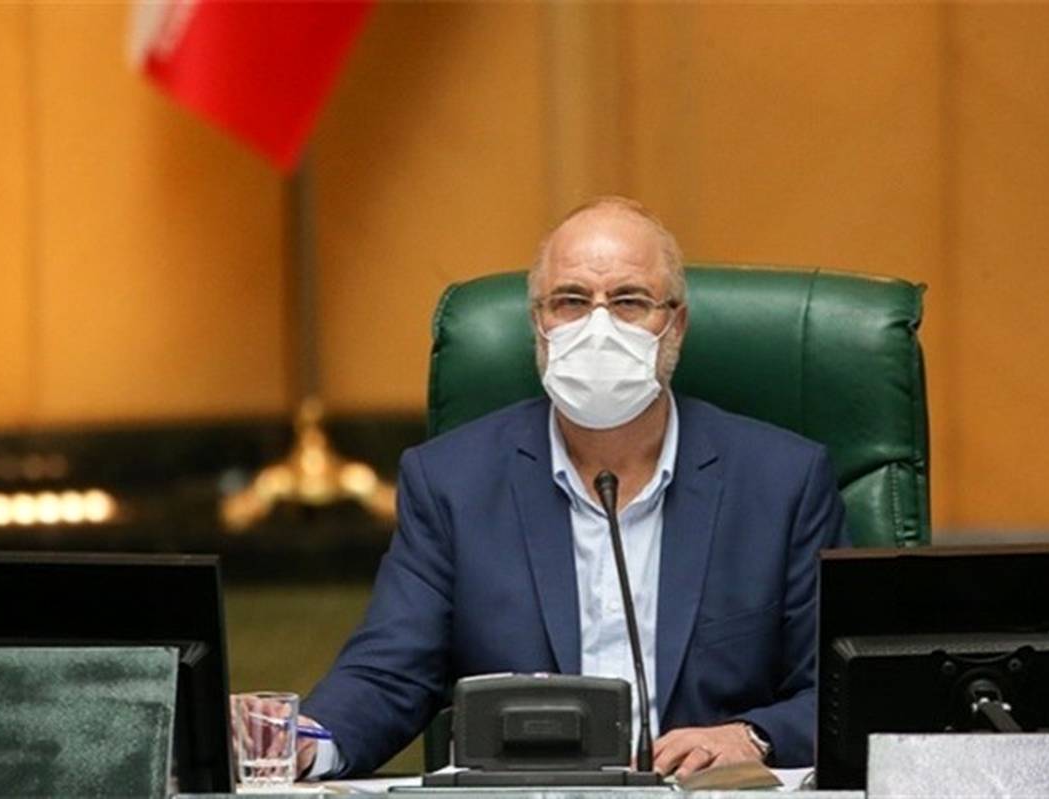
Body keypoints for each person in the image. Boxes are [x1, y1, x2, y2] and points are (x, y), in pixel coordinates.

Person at [296, 196, 848, 781]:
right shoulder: (451, 483)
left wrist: (751, 736)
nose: (598, 327)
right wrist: (302, 740)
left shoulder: (782, 483)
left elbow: (840, 687)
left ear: (676, 325)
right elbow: (388, 673)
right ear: (539, 324)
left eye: (630, 301)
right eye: (571, 302)